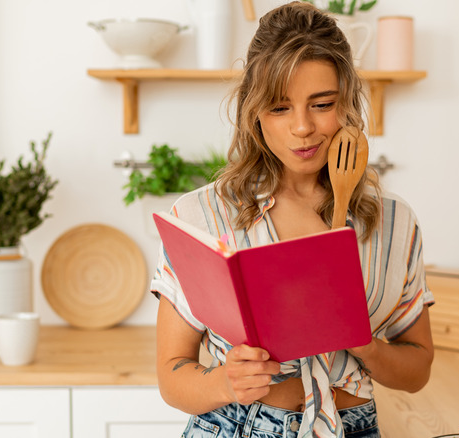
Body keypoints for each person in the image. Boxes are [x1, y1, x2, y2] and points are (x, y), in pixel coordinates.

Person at [151, 2, 435, 437]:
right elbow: (172, 376)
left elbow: (416, 371)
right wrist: (226, 381)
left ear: (347, 104)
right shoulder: (200, 216)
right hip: (237, 425)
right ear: (254, 112)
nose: (302, 127)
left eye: (321, 104)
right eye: (280, 108)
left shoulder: (394, 222)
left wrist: (365, 344)